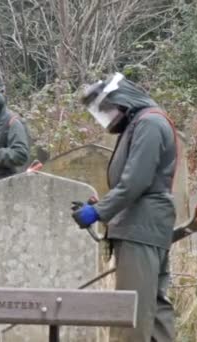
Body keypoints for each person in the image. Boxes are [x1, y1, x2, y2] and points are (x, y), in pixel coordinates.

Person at [72, 72, 178, 341]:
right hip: (141, 226)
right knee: (153, 313)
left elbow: (136, 182)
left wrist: (98, 212)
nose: (107, 116)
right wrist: (104, 206)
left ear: (122, 100)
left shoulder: (149, 124)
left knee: (130, 314)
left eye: (107, 108)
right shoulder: (142, 122)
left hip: (141, 230)